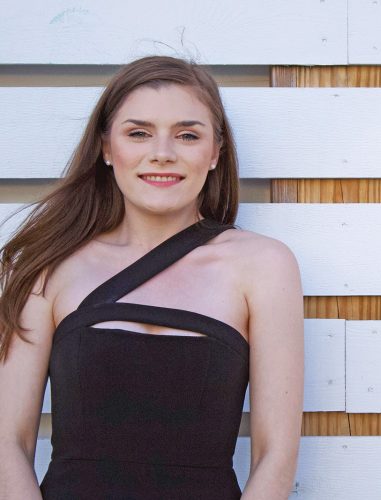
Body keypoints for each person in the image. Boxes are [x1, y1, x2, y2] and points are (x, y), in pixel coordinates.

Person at [0, 56, 304, 499]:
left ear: (216, 151)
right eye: (138, 132)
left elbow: (275, 457)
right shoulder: (48, 265)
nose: (162, 152)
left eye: (187, 134)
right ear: (106, 147)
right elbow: (9, 441)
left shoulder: (264, 266)